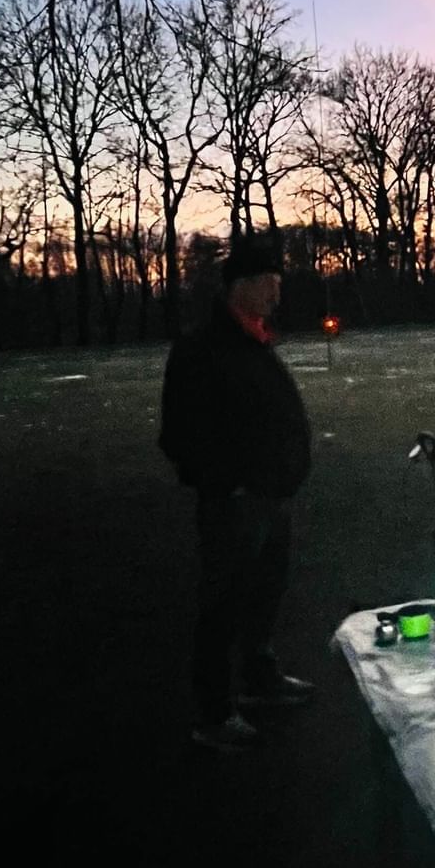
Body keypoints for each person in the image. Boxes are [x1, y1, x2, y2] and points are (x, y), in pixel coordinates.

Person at [159, 235, 314, 750]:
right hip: (236, 503)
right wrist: (231, 484)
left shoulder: (255, 341)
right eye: (267, 283)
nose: (276, 294)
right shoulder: (203, 349)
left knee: (265, 593)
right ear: (238, 287)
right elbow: (182, 434)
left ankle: (258, 679)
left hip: (270, 498)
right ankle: (214, 713)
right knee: (222, 604)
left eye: (278, 284)